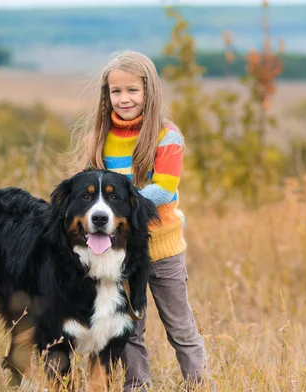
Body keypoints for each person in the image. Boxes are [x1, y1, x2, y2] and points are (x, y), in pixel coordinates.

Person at [70, 50, 210, 391]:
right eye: (116, 92)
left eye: (133, 90)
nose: (124, 99)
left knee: (180, 326)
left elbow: (165, 187)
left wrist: (125, 203)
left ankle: (201, 384)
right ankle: (137, 387)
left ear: (149, 91)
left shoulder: (167, 135)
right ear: (107, 95)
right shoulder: (100, 136)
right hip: (119, 253)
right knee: (131, 328)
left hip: (163, 247)